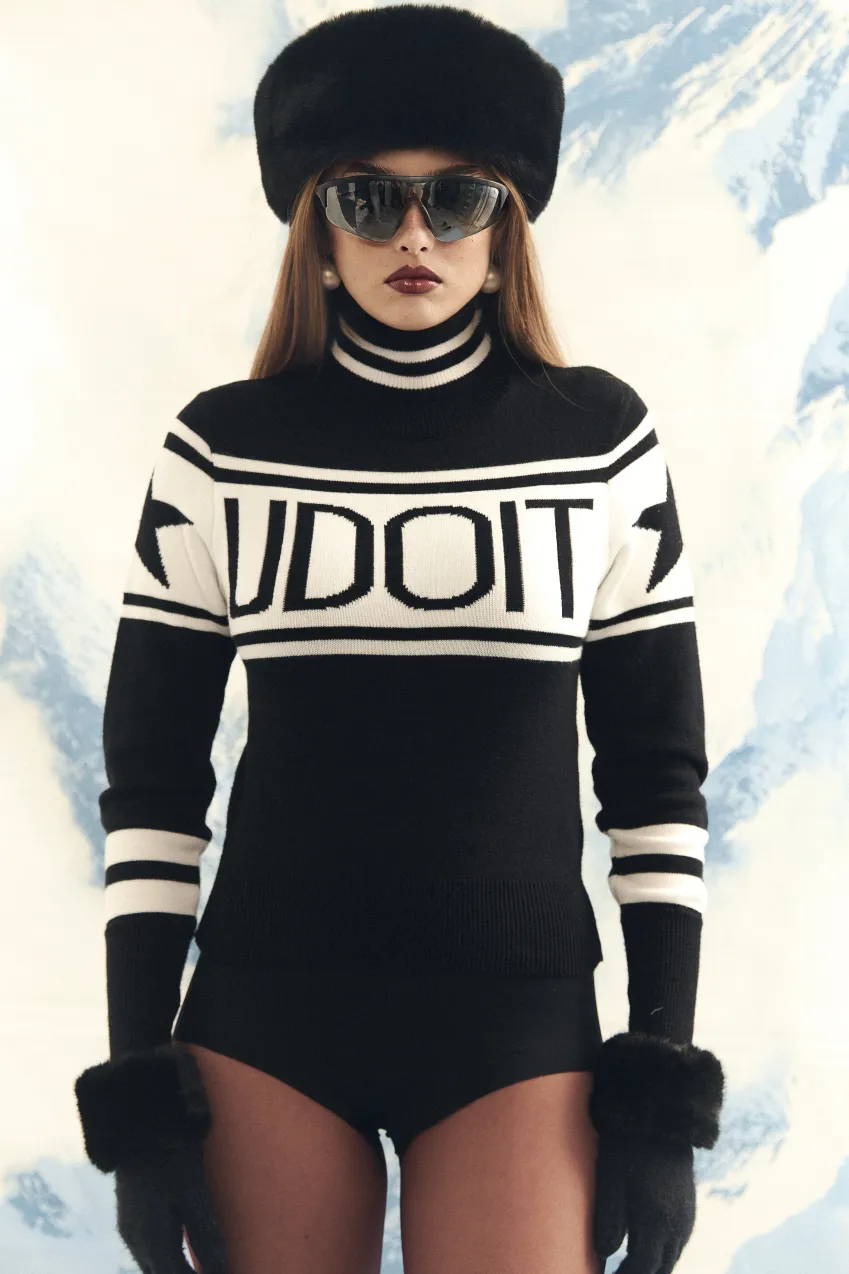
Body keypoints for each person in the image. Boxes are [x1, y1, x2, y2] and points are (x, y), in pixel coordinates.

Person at [73, 7, 725, 1274]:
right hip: (265, 1020)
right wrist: (140, 1091)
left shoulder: (602, 444)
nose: (414, 235)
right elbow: (151, 789)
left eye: (457, 197)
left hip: (518, 1030)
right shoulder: (218, 452)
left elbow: (656, 781)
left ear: (505, 224)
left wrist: (657, 1088)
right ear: (317, 228)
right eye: (368, 199)